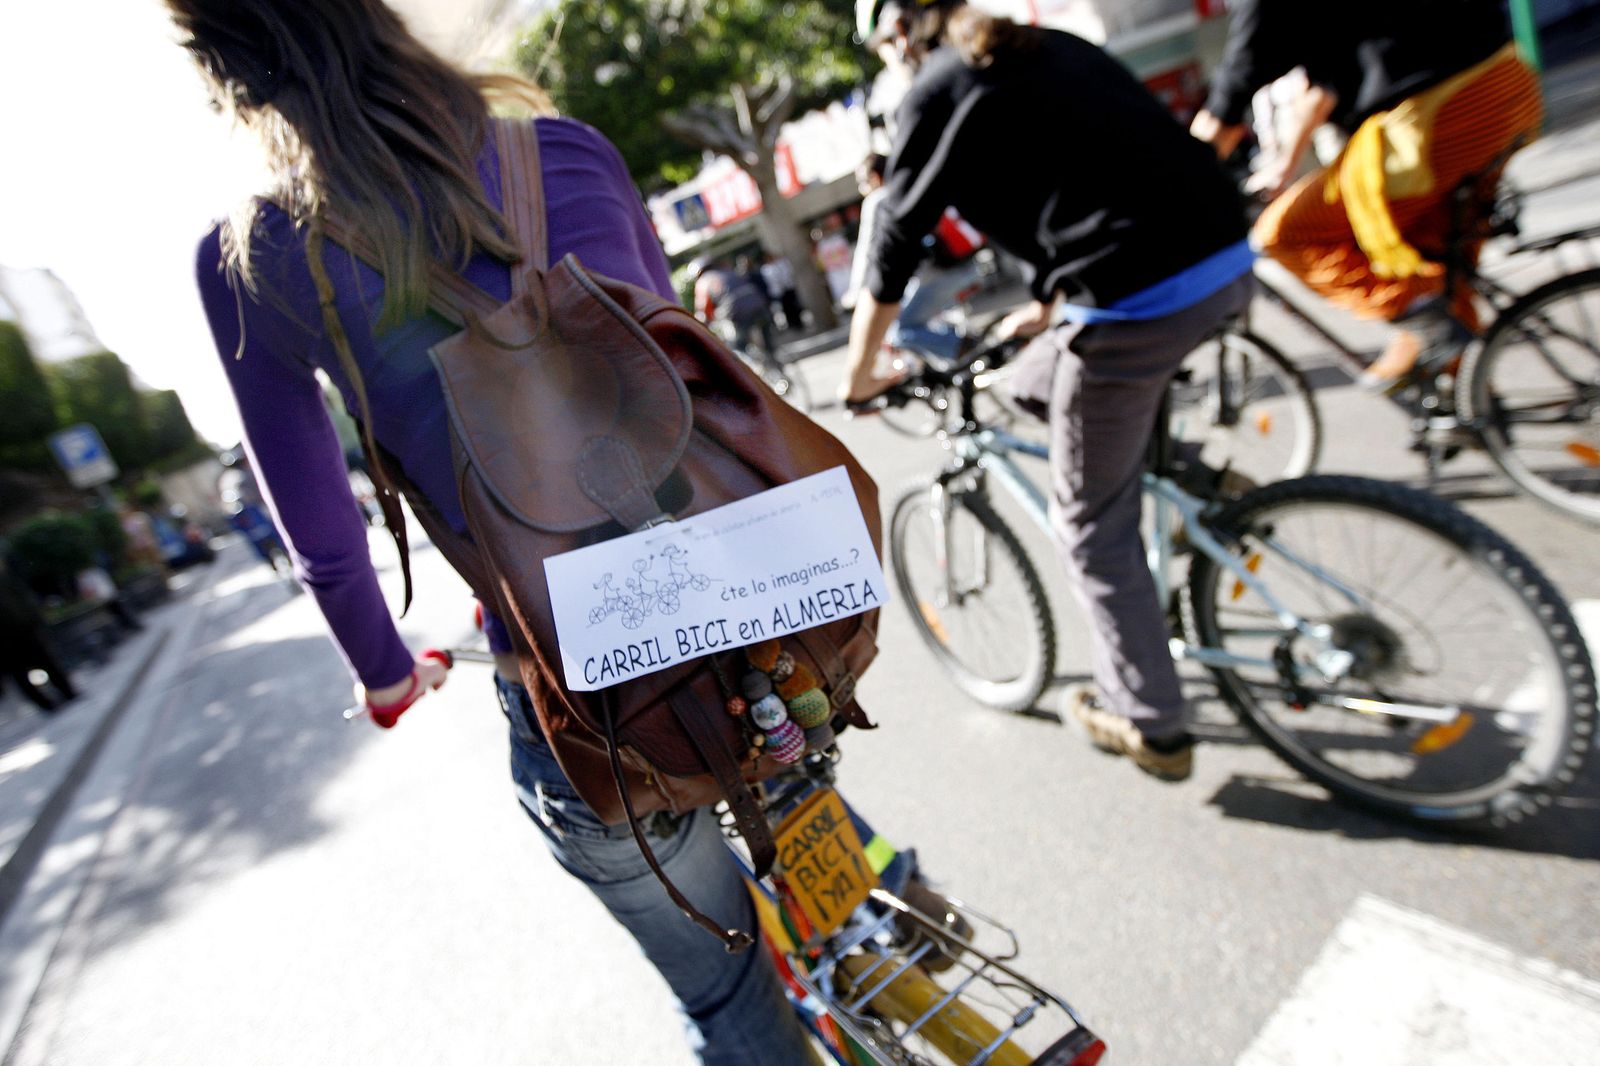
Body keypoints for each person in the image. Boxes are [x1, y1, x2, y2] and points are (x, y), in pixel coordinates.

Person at [173, 2, 919, 1061]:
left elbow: (328, 547)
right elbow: (674, 370)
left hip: (585, 695)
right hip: (760, 614)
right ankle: (895, 913)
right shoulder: (563, 148)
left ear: (225, 74)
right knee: (792, 773)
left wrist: (386, 674)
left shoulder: (253, 255)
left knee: (725, 991)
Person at [842, 0, 1256, 780]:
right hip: (1222, 253)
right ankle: (1195, 477)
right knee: (1031, 383)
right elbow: (1092, 168)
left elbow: (896, 233)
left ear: (899, 33)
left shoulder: (935, 86)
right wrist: (1048, 299)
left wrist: (860, 371)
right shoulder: (1041, 45)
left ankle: (1153, 724)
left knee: (1089, 528)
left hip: (1140, 301)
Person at [1189, 0, 1541, 388]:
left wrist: (1179, 194)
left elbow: (1233, 90)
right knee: (1430, 257)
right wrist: (1283, 167)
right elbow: (1322, 88)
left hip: (1441, 115)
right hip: (1507, 82)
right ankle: (1470, 397)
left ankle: (1427, 320)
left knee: (1285, 233)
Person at [847, 152, 985, 360]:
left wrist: (855, 292)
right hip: (967, 265)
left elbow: (867, 251)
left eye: (863, 182)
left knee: (899, 331)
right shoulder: (915, 184)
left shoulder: (879, 199)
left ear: (875, 177)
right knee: (920, 316)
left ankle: (968, 350)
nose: (862, 189)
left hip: (939, 276)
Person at [0, 552, 78, 714]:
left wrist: (36, 619)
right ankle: (47, 704)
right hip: (7, 641)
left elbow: (24, 600)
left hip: (26, 630)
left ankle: (67, 692)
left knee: (46, 662)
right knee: (22, 675)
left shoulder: (7, 581)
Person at [691, 258, 779, 358]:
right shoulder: (729, 271)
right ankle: (772, 359)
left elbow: (703, 309)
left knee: (737, 347)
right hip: (759, 306)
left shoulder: (703, 282)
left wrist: (702, 326)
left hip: (737, 314)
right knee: (767, 341)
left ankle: (749, 364)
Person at [759, 253, 804, 331]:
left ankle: (798, 323)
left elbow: (787, 273)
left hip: (788, 288)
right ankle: (792, 324)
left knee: (794, 306)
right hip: (779, 291)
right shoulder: (765, 269)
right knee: (786, 308)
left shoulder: (780, 263)